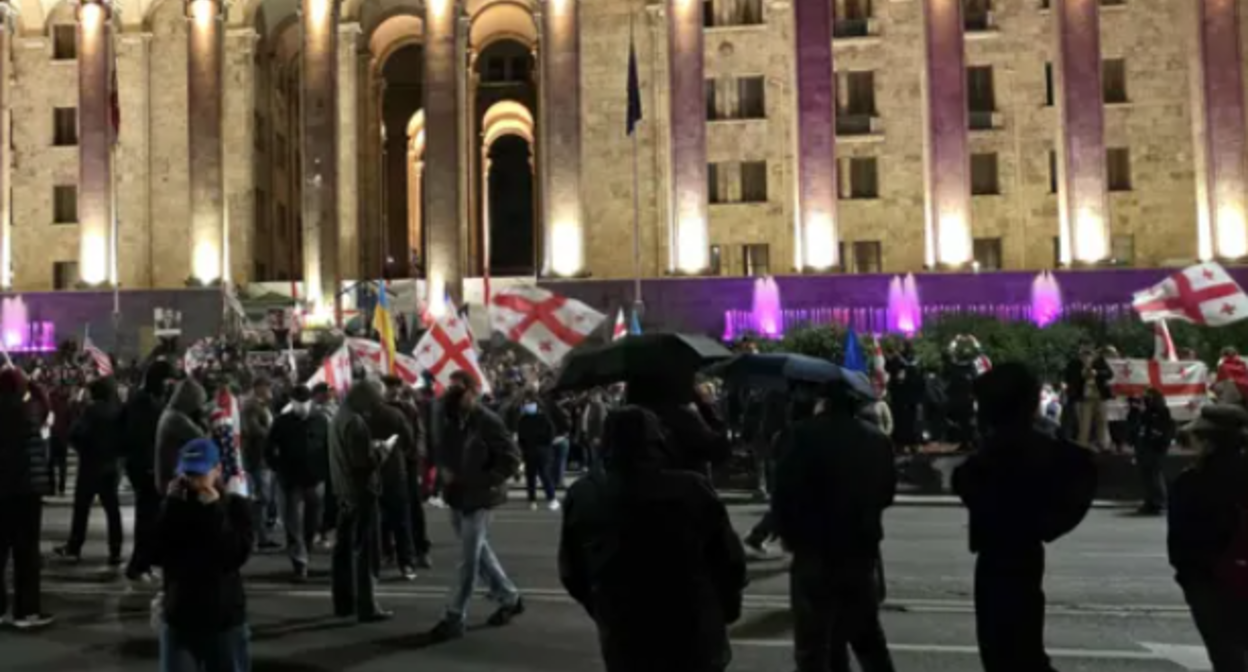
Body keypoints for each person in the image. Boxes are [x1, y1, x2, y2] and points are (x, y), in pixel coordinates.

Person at [559, 406, 746, 672]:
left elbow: (573, 572)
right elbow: (729, 560)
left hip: (625, 629)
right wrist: (726, 608)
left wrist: (604, 608)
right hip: (692, 625)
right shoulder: (691, 489)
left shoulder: (584, 495)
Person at [954, 363, 1097, 672]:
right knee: (1021, 647)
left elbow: (966, 483)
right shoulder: (1034, 448)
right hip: (1025, 552)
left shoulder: (1003, 452)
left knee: (1006, 650)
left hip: (1001, 556)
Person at [772, 385, 897, 672]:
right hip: (859, 545)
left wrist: (786, 531)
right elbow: (886, 493)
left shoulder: (801, 434)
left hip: (813, 545)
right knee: (867, 635)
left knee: (813, 640)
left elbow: (784, 490)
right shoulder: (876, 439)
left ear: (824, 403)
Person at [429, 370, 525, 641]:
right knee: (479, 553)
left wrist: (483, 481)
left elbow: (511, 459)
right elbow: (443, 451)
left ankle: (455, 615)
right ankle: (509, 597)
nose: (454, 395)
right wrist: (444, 472)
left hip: (479, 498)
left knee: (468, 560)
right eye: (452, 390)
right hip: (457, 496)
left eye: (460, 390)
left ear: (473, 392)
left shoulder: (488, 421)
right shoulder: (450, 418)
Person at [154, 438, 254, 672]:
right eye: (188, 474)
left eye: (200, 474)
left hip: (222, 619)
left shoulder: (234, 507)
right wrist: (169, 508)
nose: (194, 481)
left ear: (217, 470)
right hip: (180, 615)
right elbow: (154, 553)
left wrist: (214, 511)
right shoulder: (176, 506)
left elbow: (235, 555)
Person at [1168, 404, 1248, 671]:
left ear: (1208, 442)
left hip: (1211, 582)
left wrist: (1189, 579)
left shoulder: (1192, 481)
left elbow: (1180, 542)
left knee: (1227, 656)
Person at [329, 379, 394, 622]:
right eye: (375, 401)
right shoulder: (355, 423)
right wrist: (381, 451)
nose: (375, 407)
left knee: (344, 552)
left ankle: (344, 603)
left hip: (343, 491)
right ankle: (367, 606)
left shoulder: (339, 416)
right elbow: (363, 463)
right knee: (366, 552)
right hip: (360, 493)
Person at [0, 367, 55, 629]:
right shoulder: (26, 412)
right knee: (26, 554)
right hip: (25, 491)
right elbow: (44, 409)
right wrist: (32, 385)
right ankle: (26, 611)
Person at [55, 376, 125, 566]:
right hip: (110, 466)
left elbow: (75, 434)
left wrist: (83, 449)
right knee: (112, 510)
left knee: (82, 509)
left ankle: (74, 546)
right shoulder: (118, 411)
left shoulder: (91, 411)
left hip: (90, 465)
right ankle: (115, 550)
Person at [266, 385, 329, 582]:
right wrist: (278, 467)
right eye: (297, 402)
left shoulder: (321, 420)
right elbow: (269, 448)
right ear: (291, 402)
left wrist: (325, 472)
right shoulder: (281, 422)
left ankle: (306, 550)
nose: (301, 406)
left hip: (315, 480)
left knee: (313, 521)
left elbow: (329, 447)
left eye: (304, 402)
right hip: (290, 480)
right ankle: (299, 562)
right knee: (292, 523)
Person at [121, 360, 176, 583]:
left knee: (152, 517)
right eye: (167, 380)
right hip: (145, 467)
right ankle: (138, 565)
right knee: (147, 517)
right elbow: (139, 436)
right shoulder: (143, 402)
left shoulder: (149, 399)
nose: (169, 385)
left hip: (150, 465)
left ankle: (146, 561)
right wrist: (149, 466)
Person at [383, 377, 432, 569]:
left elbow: (419, 434)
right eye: (389, 387)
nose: (393, 390)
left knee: (413, 507)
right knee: (384, 510)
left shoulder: (409, 409)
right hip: (384, 464)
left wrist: (415, 454)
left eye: (396, 386)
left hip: (408, 464)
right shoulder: (376, 409)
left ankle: (421, 550)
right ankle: (388, 550)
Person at [374, 383, 420, 581]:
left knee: (373, 521)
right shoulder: (395, 414)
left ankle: (375, 562)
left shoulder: (358, 415)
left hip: (368, 474)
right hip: (394, 471)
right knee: (401, 520)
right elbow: (409, 440)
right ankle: (406, 563)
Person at [240, 377, 278, 551]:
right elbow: (253, 429)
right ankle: (257, 536)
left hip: (262, 456)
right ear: (258, 387)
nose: (270, 390)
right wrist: (273, 434)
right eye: (267, 386)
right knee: (260, 498)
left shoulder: (260, 405)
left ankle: (261, 535)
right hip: (257, 457)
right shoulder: (251, 406)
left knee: (263, 497)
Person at [511, 384, 559, 510]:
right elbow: (521, 437)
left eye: (529, 403)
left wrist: (540, 444)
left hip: (540, 451)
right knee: (532, 476)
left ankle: (550, 498)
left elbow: (551, 433)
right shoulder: (524, 420)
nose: (527, 405)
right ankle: (534, 499)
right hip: (532, 452)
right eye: (526, 403)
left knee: (543, 475)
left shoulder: (542, 418)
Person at [156, 378, 210, 491]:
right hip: (173, 483)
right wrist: (201, 418)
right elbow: (204, 441)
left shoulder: (170, 413)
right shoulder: (176, 419)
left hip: (171, 478)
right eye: (198, 403)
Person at [1128, 388, 1175, 516]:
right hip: (1142, 446)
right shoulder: (1143, 413)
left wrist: (1160, 440)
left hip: (1155, 447)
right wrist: (1135, 411)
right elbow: (1134, 426)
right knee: (1145, 476)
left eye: (1147, 397)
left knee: (1155, 474)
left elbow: (1165, 430)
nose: (1145, 400)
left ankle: (1160, 501)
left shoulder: (1162, 412)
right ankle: (1150, 501)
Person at [1064, 345, 1114, 449]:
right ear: (1080, 355)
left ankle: (1103, 445)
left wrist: (1097, 373)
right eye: (1084, 354)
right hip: (1084, 399)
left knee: (1102, 422)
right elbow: (1069, 378)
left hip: (1099, 397)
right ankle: (1082, 446)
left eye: (1089, 353)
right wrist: (1081, 374)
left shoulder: (1099, 362)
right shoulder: (1074, 364)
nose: (1087, 356)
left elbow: (1110, 374)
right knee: (1084, 425)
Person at [885, 342, 925, 452]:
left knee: (909, 421)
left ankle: (910, 444)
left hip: (907, 396)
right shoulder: (899, 359)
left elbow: (921, 378)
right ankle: (905, 444)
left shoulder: (913, 360)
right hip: (904, 396)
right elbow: (888, 369)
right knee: (903, 420)